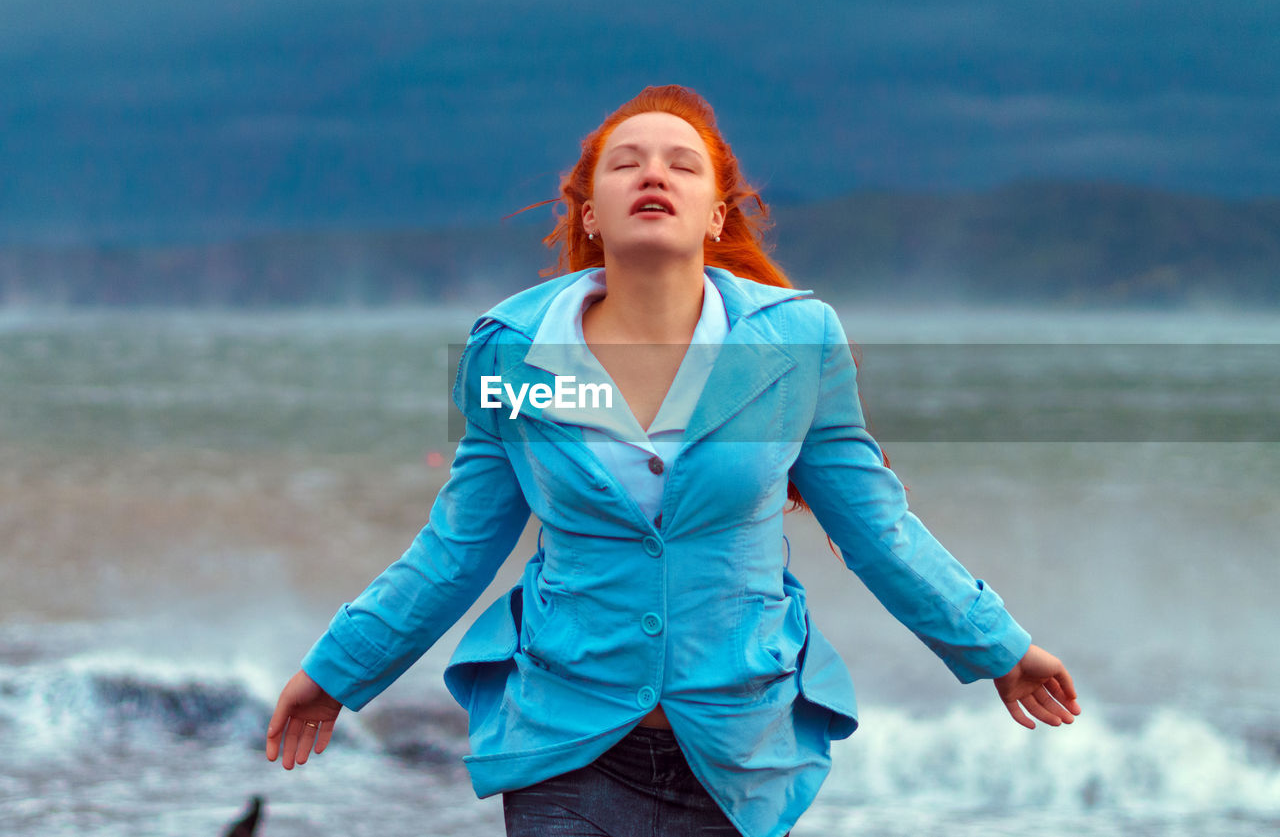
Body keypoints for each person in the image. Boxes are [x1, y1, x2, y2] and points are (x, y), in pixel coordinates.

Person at [265, 85, 1080, 837]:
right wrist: (341, 667)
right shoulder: (512, 356)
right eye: (626, 162)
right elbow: (459, 546)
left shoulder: (796, 345)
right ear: (589, 214)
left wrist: (996, 647)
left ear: (716, 215)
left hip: (740, 752)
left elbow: (876, 528)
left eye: (680, 163)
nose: (653, 174)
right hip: (567, 743)